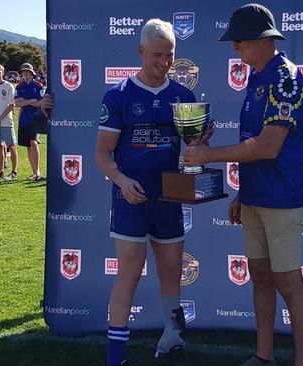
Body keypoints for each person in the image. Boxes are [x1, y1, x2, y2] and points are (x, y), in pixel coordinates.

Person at [184, 4, 303, 366]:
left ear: (261, 39)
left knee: (288, 281)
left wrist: (209, 155)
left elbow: (269, 145)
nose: (234, 48)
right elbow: (255, 143)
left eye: (238, 41)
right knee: (259, 277)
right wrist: (244, 192)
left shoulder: (285, 77)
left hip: (281, 199)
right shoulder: (257, 78)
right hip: (256, 196)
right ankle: (264, 357)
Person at [95, 18, 212, 366]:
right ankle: (116, 354)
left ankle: (172, 342)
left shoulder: (183, 95)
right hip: (131, 199)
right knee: (129, 273)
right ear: (141, 52)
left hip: (169, 199)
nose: (164, 62)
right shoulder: (118, 95)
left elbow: (192, 149)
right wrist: (120, 179)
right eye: (157, 55)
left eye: (170, 55)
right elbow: (102, 153)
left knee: (172, 271)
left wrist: (202, 141)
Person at [14, 63, 45, 180]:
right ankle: (33, 172)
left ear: (32, 73)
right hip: (23, 119)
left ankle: (38, 171)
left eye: (28, 71)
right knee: (28, 145)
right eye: (23, 71)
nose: (25, 73)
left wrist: (25, 101)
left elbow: (39, 103)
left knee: (33, 142)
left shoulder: (38, 86)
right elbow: (17, 103)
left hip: (35, 118)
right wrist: (31, 100)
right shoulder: (19, 86)